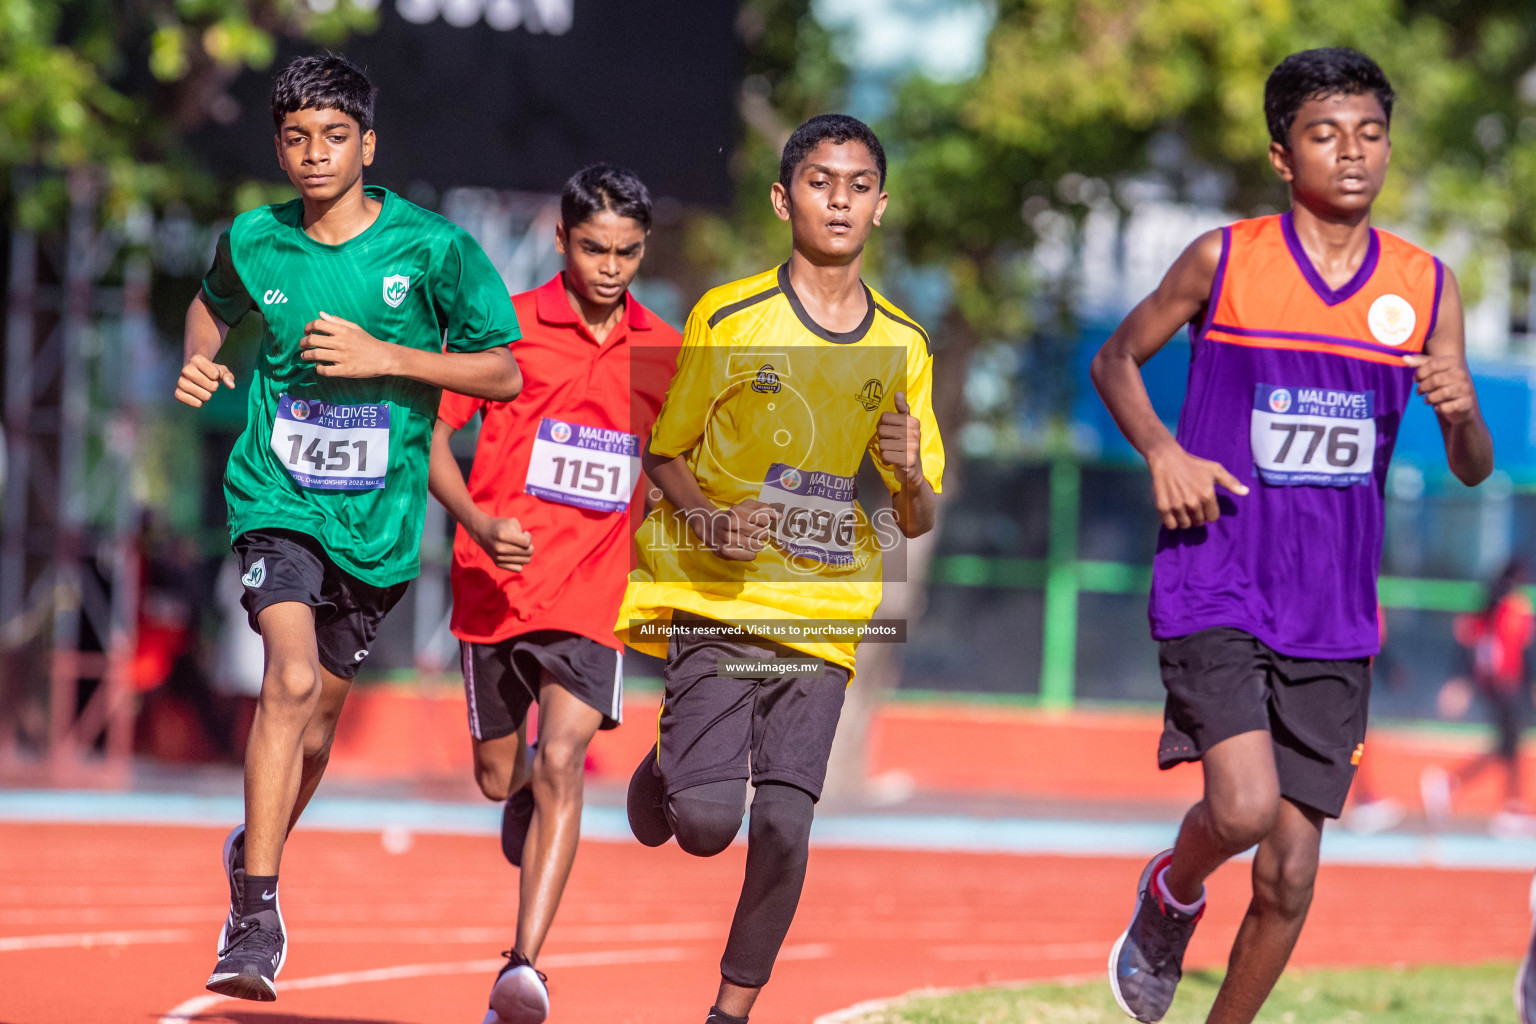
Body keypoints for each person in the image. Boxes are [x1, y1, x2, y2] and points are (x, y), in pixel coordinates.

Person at [1090, 47, 1492, 1024]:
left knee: (1293, 870)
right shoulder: (1223, 261)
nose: (1351, 153)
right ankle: (1170, 894)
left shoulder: (1426, 287)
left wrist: (1461, 412)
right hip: (1217, 574)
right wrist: (1161, 451)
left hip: (1336, 608)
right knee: (1239, 807)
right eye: (1325, 134)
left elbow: (1474, 464)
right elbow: (1116, 359)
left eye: (1369, 133)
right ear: (1282, 154)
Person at [174, 54, 523, 1001]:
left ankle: (258, 843)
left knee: (318, 726)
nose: (314, 154)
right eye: (295, 138)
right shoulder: (253, 239)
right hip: (275, 496)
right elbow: (210, 306)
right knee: (285, 679)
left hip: (375, 524)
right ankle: (255, 914)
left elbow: (501, 373)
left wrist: (386, 354)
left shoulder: (435, 250)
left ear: (368, 145)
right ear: (278, 147)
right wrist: (202, 358)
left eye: (334, 137)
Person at [617, 113, 944, 1024]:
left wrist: (910, 472)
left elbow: (916, 515)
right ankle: (669, 767)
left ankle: (731, 1012)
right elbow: (664, 453)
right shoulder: (727, 314)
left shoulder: (906, 347)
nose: (839, 200)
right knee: (710, 825)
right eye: (819, 181)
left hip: (825, 611)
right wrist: (710, 521)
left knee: (786, 826)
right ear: (782, 196)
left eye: (859, 185)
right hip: (720, 602)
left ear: (881, 206)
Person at [427, 164, 679, 1024]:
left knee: (567, 756)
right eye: (594, 248)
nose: (611, 267)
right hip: (495, 586)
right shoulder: (507, 332)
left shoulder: (662, 350)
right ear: (562, 239)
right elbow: (429, 439)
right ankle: (524, 790)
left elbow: (682, 466)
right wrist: (476, 520)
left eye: (629, 252)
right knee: (503, 779)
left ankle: (523, 970)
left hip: (594, 594)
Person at [1422, 559, 1533, 825]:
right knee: (1509, 744)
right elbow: (1520, 652)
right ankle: (1505, 803)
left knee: (1508, 745)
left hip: (1498, 684)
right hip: (1503, 684)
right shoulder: (1509, 608)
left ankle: (1461, 786)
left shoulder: (1495, 606)